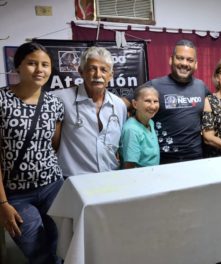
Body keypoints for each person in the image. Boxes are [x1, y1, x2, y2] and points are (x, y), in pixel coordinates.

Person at [0, 42, 64, 263]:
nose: (40, 70)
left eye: (45, 64)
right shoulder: (1, 100)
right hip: (16, 194)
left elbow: (54, 144)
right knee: (36, 249)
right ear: (17, 67)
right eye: (32, 63)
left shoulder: (54, 104)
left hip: (52, 186)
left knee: (62, 244)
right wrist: (2, 203)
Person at [53, 46, 127, 177]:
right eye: (92, 68)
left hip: (111, 177)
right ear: (81, 72)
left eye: (104, 70)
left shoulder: (119, 105)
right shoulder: (60, 99)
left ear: (111, 74)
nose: (98, 74)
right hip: (73, 181)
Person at [144, 39, 210, 164]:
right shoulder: (155, 85)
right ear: (171, 60)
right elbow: (130, 103)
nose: (184, 63)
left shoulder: (201, 87)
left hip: (196, 159)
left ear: (196, 64)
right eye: (180, 58)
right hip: (163, 160)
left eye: (189, 60)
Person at [120, 85, 160, 168]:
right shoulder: (132, 130)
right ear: (135, 104)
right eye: (147, 101)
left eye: (155, 101)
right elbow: (129, 167)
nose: (153, 106)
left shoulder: (150, 122)